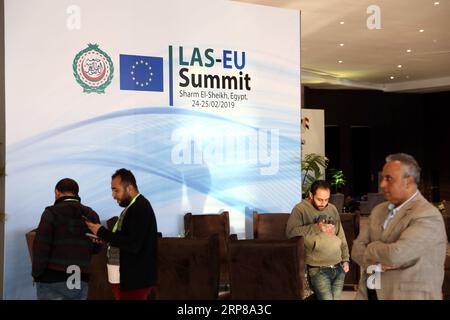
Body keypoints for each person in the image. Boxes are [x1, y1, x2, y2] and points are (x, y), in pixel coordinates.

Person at [352, 153, 447, 300]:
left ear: (408, 181)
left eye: (388, 178)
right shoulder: (378, 211)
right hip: (369, 293)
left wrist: (371, 247)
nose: (382, 184)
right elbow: (356, 249)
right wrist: (379, 259)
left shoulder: (427, 215)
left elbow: (396, 255)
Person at [85, 168, 158, 300]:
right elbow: (124, 239)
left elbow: (133, 244)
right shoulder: (132, 207)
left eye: (116, 190)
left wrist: (101, 232)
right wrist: (103, 237)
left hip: (135, 281)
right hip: (127, 279)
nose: (113, 195)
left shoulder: (140, 207)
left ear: (129, 188)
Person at [32, 178, 101, 300]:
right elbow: (96, 248)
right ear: (76, 194)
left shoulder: (51, 213)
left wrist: (37, 275)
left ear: (57, 192)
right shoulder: (91, 214)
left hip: (52, 280)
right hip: (80, 279)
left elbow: (40, 248)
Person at [286, 180, 350, 300]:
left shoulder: (332, 209)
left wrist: (346, 259)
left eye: (326, 199)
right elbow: (291, 232)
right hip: (317, 267)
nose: (323, 203)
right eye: (320, 199)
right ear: (311, 195)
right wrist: (316, 227)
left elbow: (340, 234)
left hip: (338, 266)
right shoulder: (300, 209)